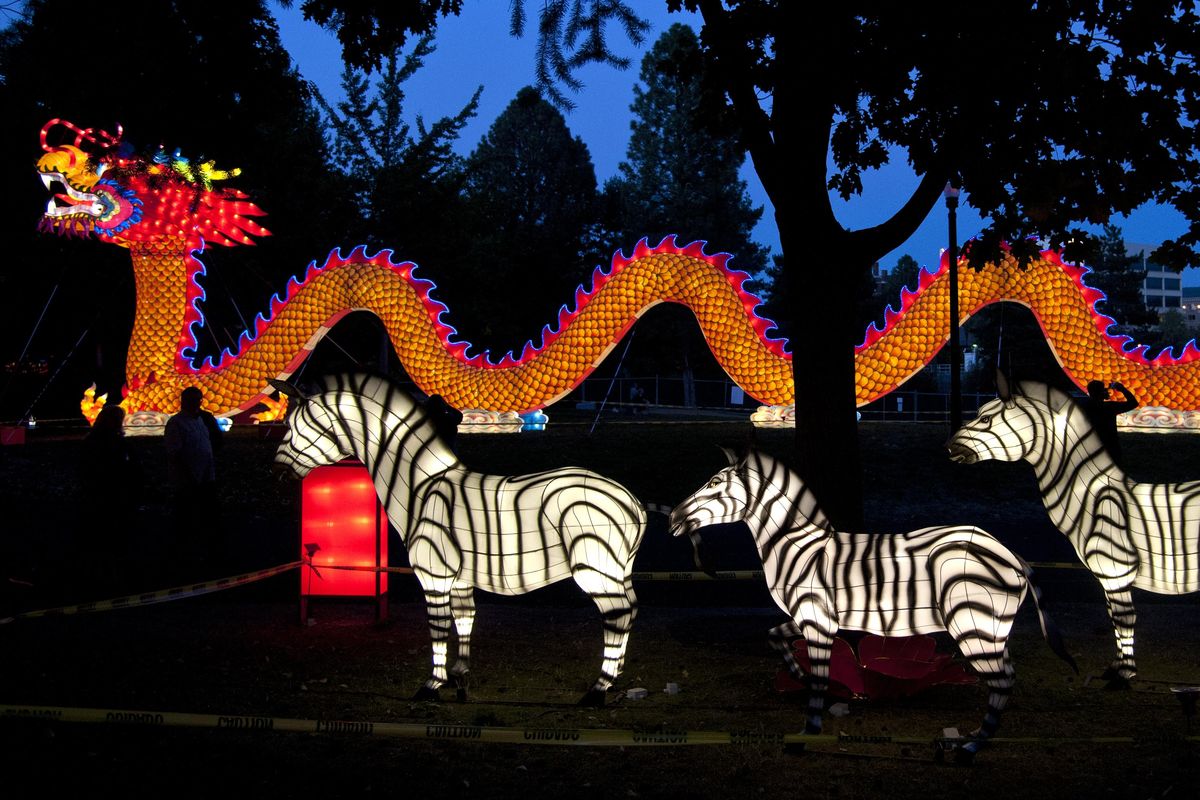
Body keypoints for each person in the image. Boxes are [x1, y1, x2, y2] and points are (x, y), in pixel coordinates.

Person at [164, 386, 221, 571]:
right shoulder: (176, 423)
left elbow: (211, 445)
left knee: (206, 518)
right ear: (183, 401)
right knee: (186, 519)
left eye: (198, 400)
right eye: (192, 400)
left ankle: (206, 554)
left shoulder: (201, 420)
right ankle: (184, 558)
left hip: (206, 479)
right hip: (187, 482)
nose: (197, 403)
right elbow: (175, 453)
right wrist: (188, 475)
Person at [1084, 380, 1138, 466]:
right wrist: (1122, 389)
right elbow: (1133, 403)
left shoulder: (1084, 406)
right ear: (1100, 392)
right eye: (1104, 389)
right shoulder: (1109, 407)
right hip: (1110, 446)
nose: (1107, 391)